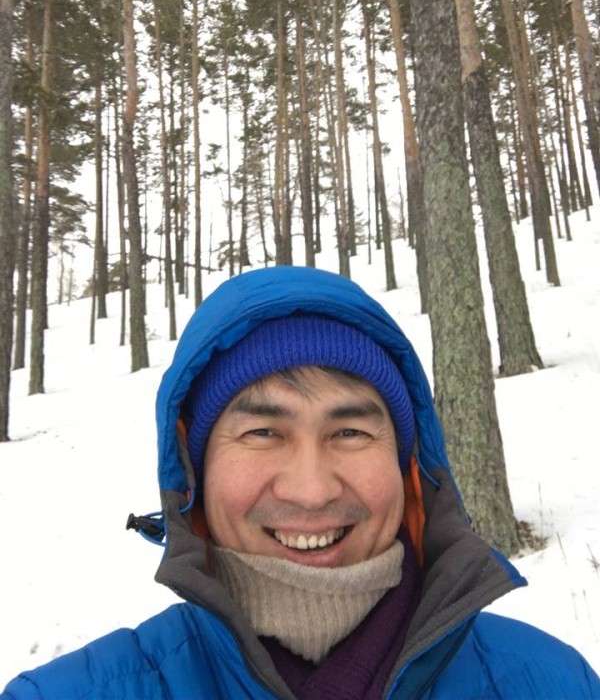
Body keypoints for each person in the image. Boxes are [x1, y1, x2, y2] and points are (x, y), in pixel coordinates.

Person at [2, 265, 599, 700]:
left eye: (350, 432)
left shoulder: (553, 683)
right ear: (195, 473)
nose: (311, 491)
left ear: (407, 468)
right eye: (263, 432)